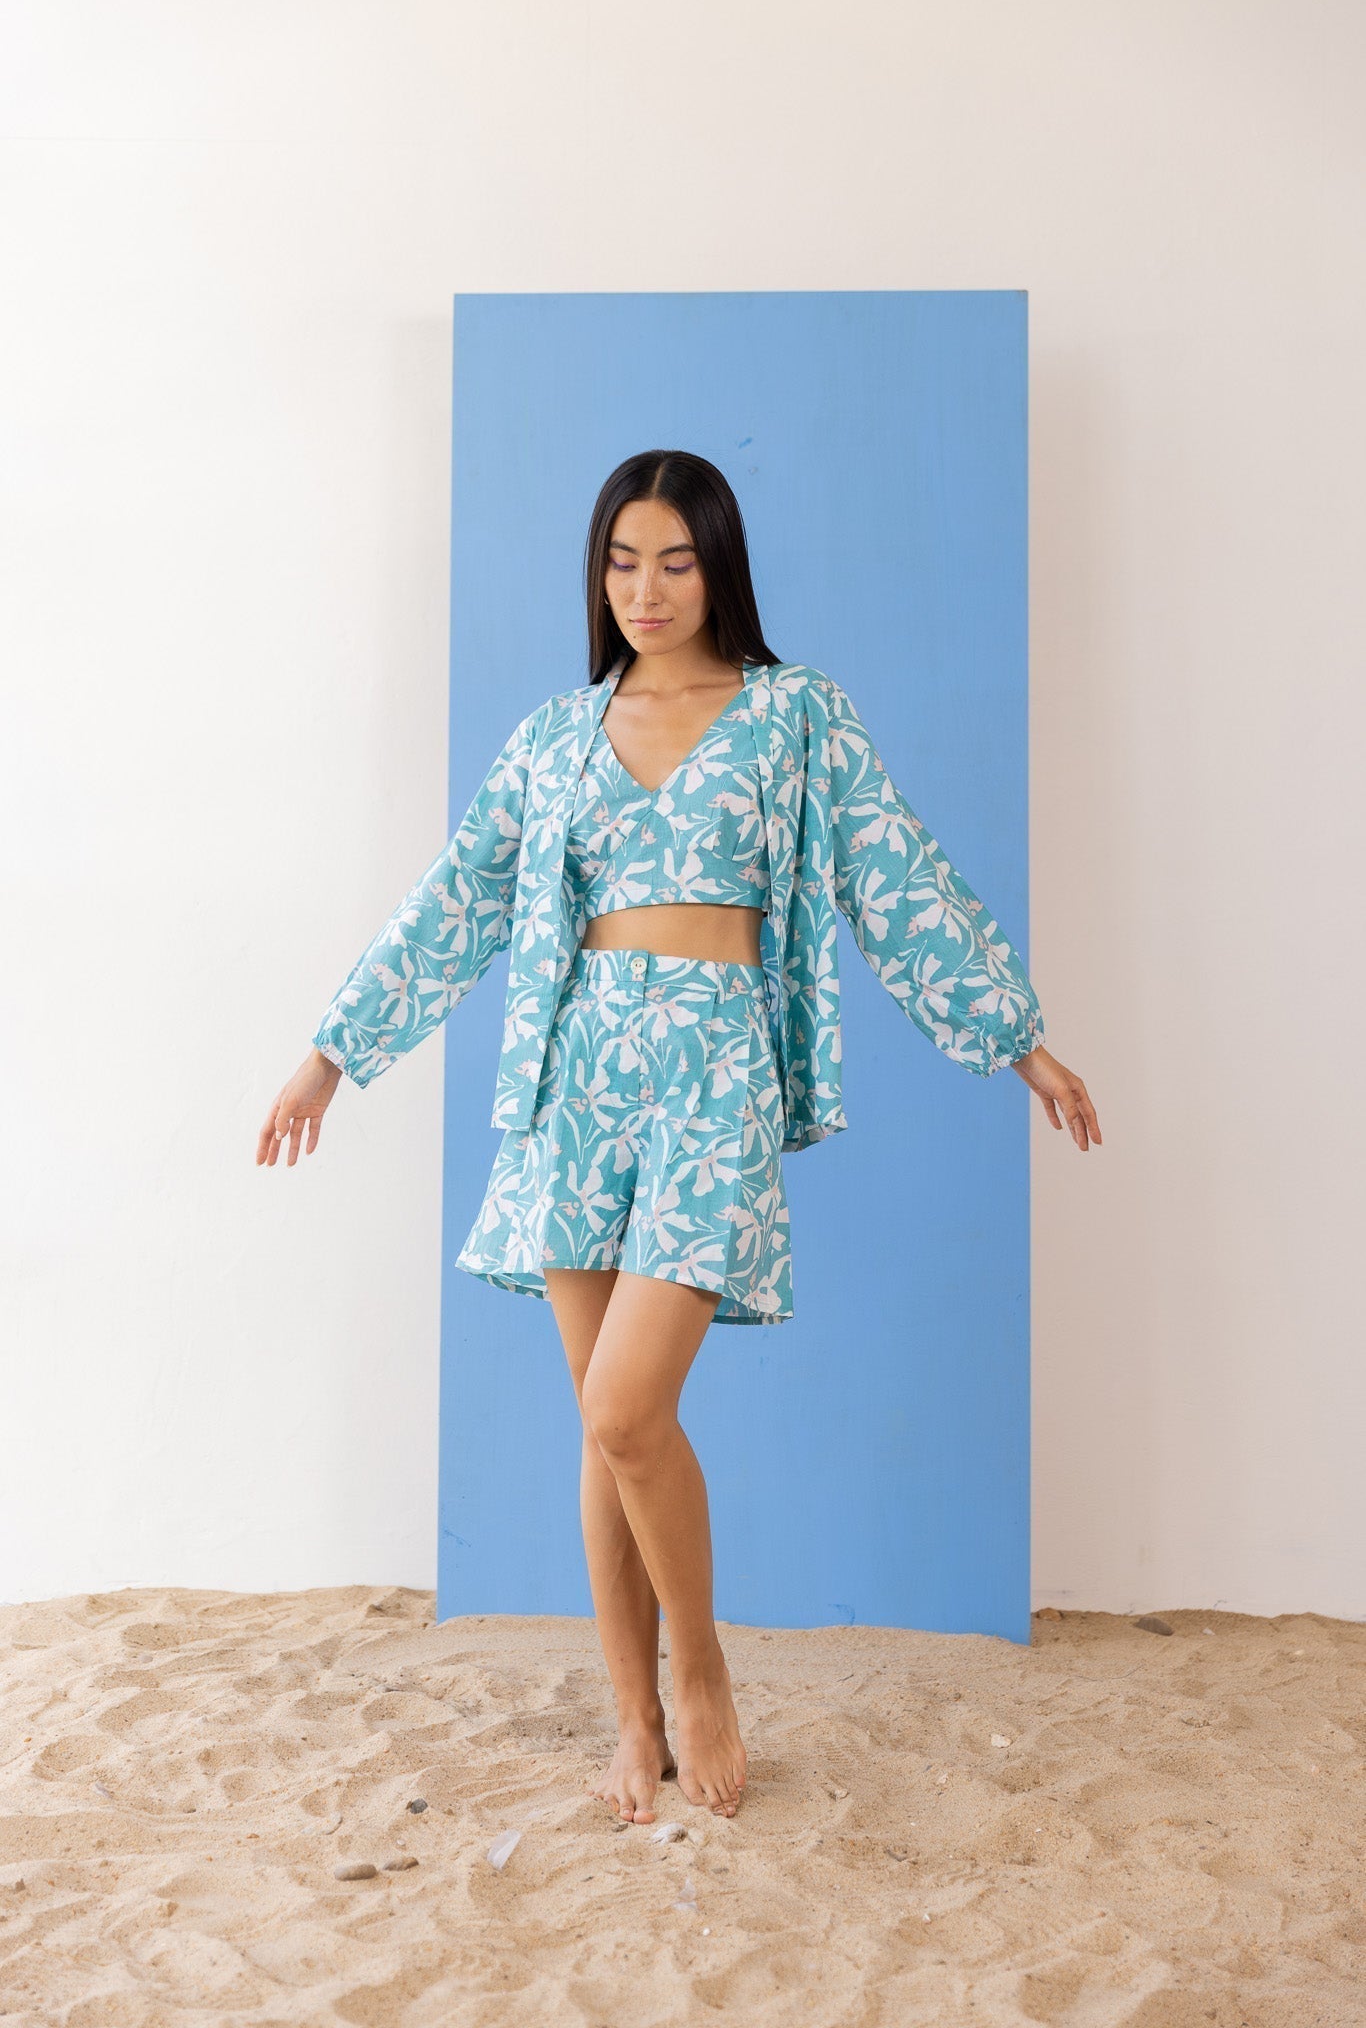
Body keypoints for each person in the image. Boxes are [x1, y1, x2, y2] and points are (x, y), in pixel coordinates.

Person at [257, 450, 1101, 1828]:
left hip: (714, 1073)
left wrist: (1018, 1041)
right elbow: (456, 897)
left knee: (624, 1410)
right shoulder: (554, 735)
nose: (644, 590)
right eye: (620, 562)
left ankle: (699, 1670)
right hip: (577, 1078)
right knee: (603, 1431)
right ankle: (632, 1721)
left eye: (674, 561)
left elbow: (897, 876)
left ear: (720, 567)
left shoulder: (794, 715)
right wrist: (331, 1056)